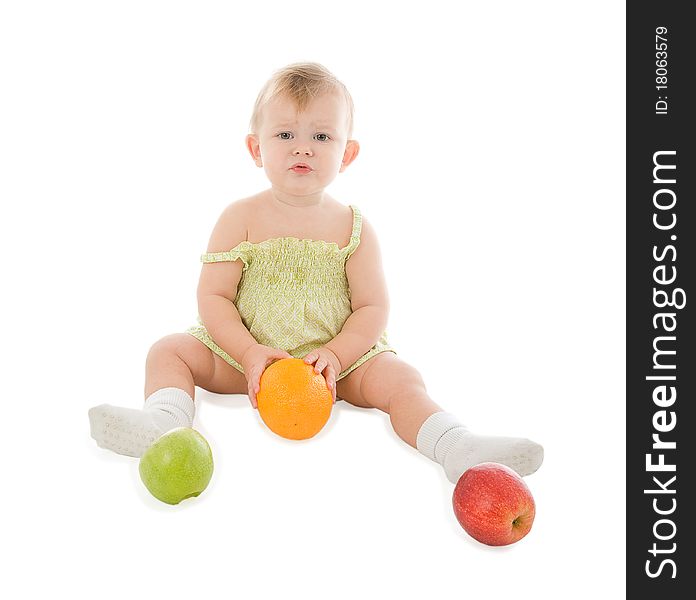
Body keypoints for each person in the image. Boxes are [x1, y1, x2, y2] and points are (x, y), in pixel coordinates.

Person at [88, 62, 543, 484]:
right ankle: (163, 424)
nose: (303, 147)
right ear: (255, 147)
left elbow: (372, 307)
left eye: (322, 137)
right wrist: (247, 351)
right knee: (169, 350)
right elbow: (214, 298)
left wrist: (339, 355)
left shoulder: (354, 227)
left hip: (337, 366)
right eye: (285, 134)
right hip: (246, 357)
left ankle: (456, 446)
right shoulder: (238, 217)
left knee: (402, 378)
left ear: (347, 154)